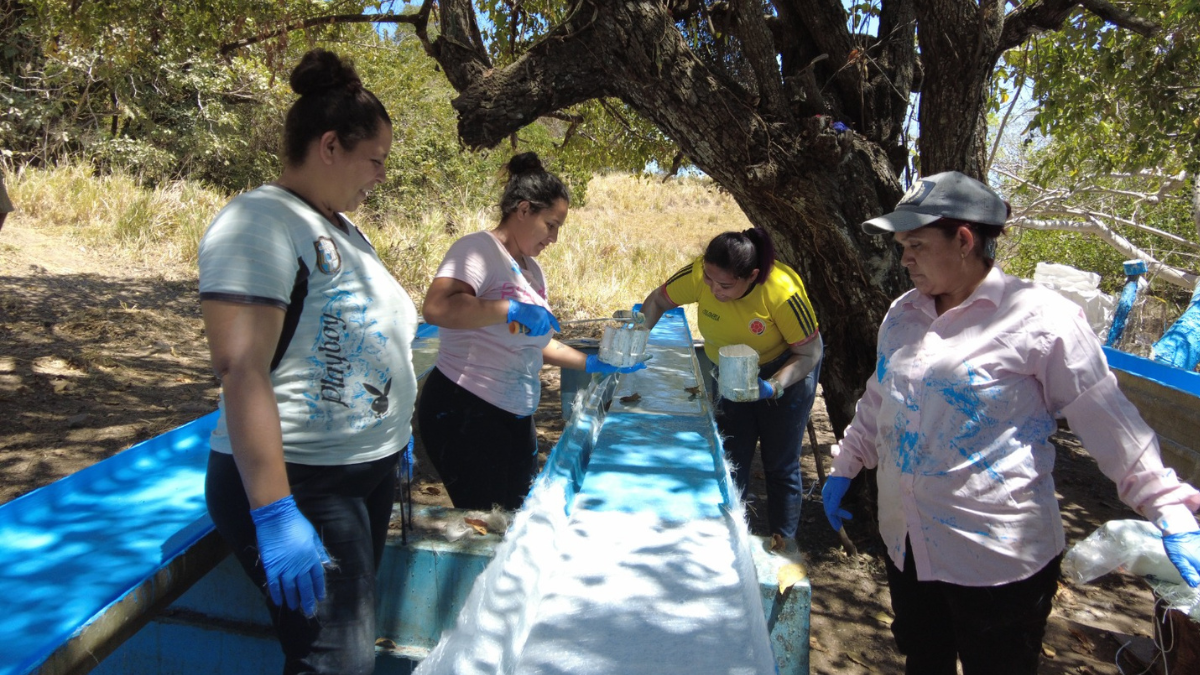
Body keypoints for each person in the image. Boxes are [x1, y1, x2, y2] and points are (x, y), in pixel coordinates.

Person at [821, 171, 1200, 675]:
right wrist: (846, 464)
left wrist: (1167, 505)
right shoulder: (903, 313)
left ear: (964, 240)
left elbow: (1107, 418)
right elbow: (880, 397)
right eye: (900, 246)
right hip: (909, 543)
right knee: (923, 659)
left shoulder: (1041, 319)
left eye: (915, 244)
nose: (905, 257)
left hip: (996, 558)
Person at [198, 49, 417, 675]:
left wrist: (393, 430)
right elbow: (241, 368)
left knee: (339, 652)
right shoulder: (257, 221)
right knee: (337, 663)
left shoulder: (341, 228)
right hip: (302, 480)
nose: (379, 174)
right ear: (329, 146)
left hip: (360, 473)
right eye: (374, 159)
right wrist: (272, 510)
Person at [417, 152, 644, 511]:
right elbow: (438, 307)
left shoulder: (533, 271)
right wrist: (507, 308)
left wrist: (592, 363)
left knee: (517, 517)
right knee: (485, 522)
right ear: (523, 210)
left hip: (514, 412)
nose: (554, 238)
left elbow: (538, 345)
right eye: (550, 225)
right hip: (465, 409)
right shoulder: (477, 250)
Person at [638, 228, 823, 539]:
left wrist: (772, 386)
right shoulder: (701, 274)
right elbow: (658, 300)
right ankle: (728, 539)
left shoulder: (781, 291)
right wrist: (635, 341)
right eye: (709, 280)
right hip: (727, 369)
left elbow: (810, 351)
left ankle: (783, 543)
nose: (713, 290)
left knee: (780, 464)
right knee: (730, 457)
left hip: (786, 368)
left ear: (751, 276)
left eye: (724, 285)